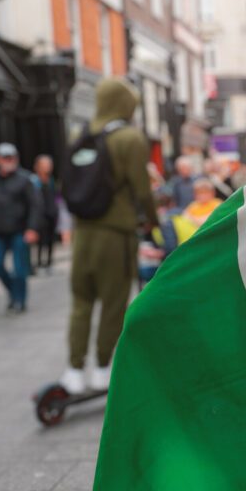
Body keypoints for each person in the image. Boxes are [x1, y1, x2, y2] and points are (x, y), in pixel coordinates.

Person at [60, 78, 158, 395]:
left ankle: (74, 370)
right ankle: (102, 368)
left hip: (83, 233)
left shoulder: (81, 135)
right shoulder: (130, 138)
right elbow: (142, 190)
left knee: (81, 302)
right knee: (113, 303)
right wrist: (152, 222)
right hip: (115, 234)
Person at [0, 143, 41, 313]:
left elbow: (35, 206)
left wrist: (32, 228)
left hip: (19, 231)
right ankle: (13, 292)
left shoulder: (25, 180)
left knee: (20, 269)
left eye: (12, 157)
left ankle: (20, 300)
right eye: (5, 158)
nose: (9, 161)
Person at [33, 154, 60, 272]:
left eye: (49, 164)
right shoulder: (34, 181)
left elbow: (56, 197)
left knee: (50, 240)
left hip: (51, 214)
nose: (48, 167)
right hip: (40, 216)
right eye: (45, 165)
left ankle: (49, 264)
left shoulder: (51, 180)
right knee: (40, 241)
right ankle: (39, 264)